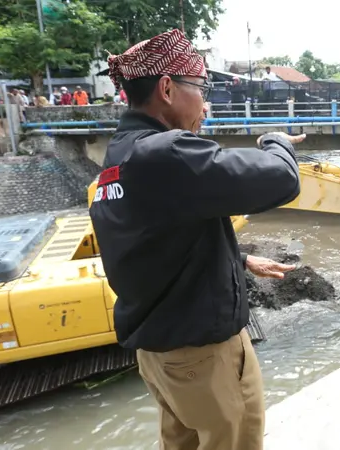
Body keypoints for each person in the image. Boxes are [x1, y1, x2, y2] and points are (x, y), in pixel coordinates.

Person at [88, 29, 304, 450]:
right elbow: (282, 180)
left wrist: (239, 260)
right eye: (201, 88)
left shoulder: (118, 157)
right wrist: (275, 141)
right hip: (204, 358)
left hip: (160, 357)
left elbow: (153, 238)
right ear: (167, 88)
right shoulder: (165, 153)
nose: (205, 104)